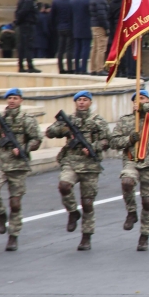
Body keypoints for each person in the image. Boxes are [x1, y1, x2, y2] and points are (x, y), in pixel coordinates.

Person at [0, 88, 42, 251]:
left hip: (18, 165)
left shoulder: (27, 119)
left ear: (21, 100)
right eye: (9, 98)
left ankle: (13, 236)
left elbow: (37, 139)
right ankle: (1, 214)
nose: (12, 101)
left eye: (15, 98)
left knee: (15, 204)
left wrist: (24, 149)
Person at [45, 91, 110, 251]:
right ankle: (73, 212)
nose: (81, 103)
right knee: (64, 186)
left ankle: (86, 236)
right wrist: (63, 127)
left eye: (85, 100)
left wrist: (94, 147)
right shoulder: (69, 120)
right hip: (71, 162)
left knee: (87, 204)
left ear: (90, 103)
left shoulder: (98, 121)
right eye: (79, 100)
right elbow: (50, 132)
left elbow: (108, 140)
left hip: (90, 166)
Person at [108, 89, 149, 251]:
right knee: (127, 182)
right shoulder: (126, 121)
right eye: (137, 100)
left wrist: (146, 108)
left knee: (148, 202)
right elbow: (113, 142)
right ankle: (131, 211)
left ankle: (145, 235)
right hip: (132, 160)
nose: (140, 102)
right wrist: (128, 139)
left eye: (143, 99)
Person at [15, 0, 40, 73]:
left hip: (23, 25)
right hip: (27, 25)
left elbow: (18, 12)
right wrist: (19, 21)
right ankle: (30, 66)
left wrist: (18, 21)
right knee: (28, 45)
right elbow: (23, 12)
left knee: (22, 46)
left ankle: (21, 66)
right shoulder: (29, 0)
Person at [50, 0, 74, 72]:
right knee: (69, 49)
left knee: (60, 49)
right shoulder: (72, 1)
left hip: (60, 27)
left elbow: (52, 16)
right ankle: (70, 68)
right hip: (70, 27)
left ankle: (61, 68)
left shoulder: (56, 1)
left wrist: (54, 26)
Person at [88, 0, 110, 74]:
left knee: (95, 48)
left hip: (94, 25)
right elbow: (102, 15)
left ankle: (93, 68)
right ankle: (100, 69)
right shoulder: (100, 0)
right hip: (100, 26)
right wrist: (107, 27)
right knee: (101, 48)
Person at [70, 0, 92, 74]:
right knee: (85, 49)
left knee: (77, 49)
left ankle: (76, 68)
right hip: (86, 27)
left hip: (76, 28)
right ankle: (83, 69)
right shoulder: (88, 1)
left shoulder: (73, 1)